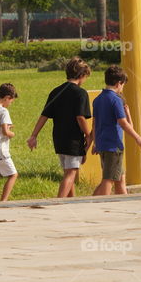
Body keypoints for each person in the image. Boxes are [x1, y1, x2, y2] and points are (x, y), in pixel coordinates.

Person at [26, 57, 92, 198]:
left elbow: (44, 116)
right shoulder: (81, 93)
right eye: (85, 77)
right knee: (71, 173)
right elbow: (80, 117)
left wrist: (34, 135)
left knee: (68, 172)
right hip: (73, 139)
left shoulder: (56, 92)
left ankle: (71, 202)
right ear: (81, 75)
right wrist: (88, 134)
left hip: (58, 138)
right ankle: (58, 203)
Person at [91, 65, 141, 196]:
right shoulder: (115, 100)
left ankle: (125, 203)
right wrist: (137, 137)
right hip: (113, 146)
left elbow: (94, 124)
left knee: (120, 179)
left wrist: (95, 143)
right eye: (123, 85)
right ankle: (93, 203)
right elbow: (123, 123)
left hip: (102, 145)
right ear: (118, 83)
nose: (122, 89)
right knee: (108, 180)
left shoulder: (98, 99)